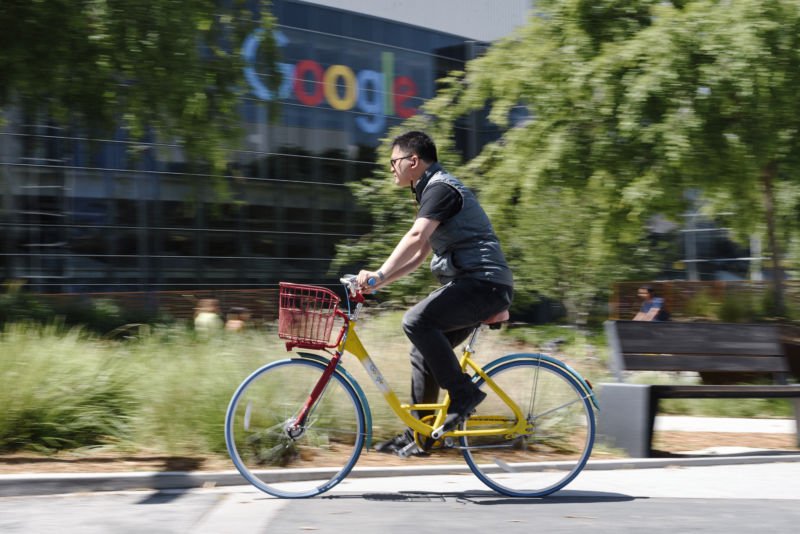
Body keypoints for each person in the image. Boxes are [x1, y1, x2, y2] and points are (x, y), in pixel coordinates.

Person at [356, 131, 514, 456]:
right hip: (475, 285)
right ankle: (421, 433)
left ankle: (463, 394)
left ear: (413, 162)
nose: (391, 169)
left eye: (393, 162)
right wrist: (378, 283)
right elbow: (418, 256)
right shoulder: (431, 191)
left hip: (483, 284)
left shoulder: (441, 188)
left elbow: (416, 236)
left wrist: (379, 273)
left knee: (415, 321)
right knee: (421, 351)